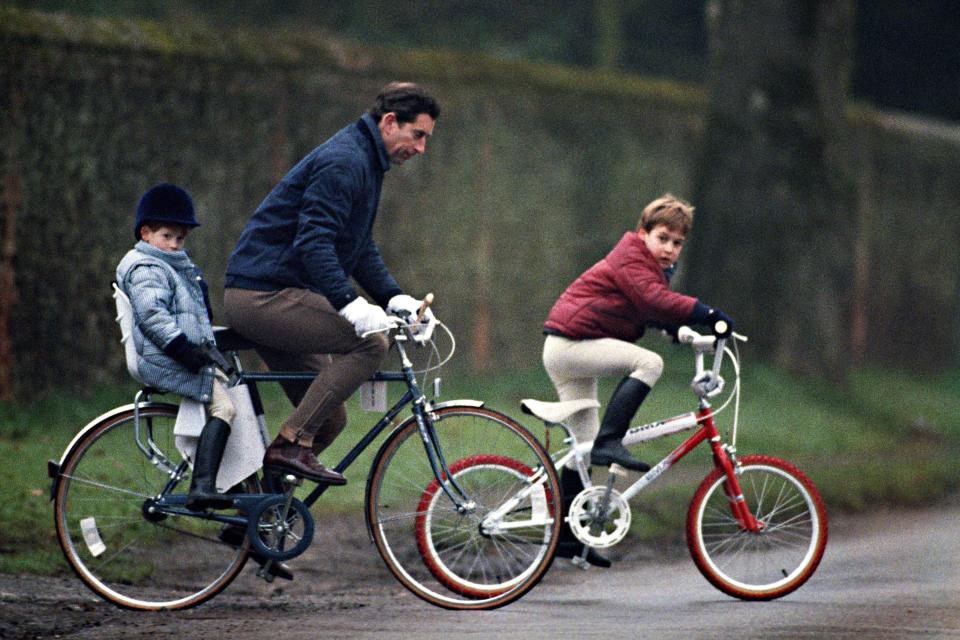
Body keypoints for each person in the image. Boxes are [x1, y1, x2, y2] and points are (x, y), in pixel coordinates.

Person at [223, 82, 440, 487]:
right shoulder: (346, 161)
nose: (422, 148)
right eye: (418, 135)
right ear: (390, 122)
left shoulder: (366, 160)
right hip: (261, 296)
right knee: (371, 342)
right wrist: (350, 304)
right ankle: (288, 446)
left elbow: (356, 247)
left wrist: (396, 299)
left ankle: (253, 511)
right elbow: (315, 242)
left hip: (274, 294)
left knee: (326, 421)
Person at [541, 193, 733, 567]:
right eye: (663, 238)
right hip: (570, 346)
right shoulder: (630, 256)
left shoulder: (649, 267)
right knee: (649, 363)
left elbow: (651, 309)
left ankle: (566, 538)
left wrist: (686, 333)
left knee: (582, 450)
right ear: (643, 232)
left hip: (571, 347)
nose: (669, 249)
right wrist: (707, 313)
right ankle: (611, 442)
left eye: (677, 243)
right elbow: (653, 300)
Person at [115, 183, 235, 512]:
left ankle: (237, 487)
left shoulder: (170, 267)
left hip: (178, 354)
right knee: (225, 409)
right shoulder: (147, 268)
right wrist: (187, 352)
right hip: (167, 358)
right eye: (167, 236)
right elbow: (154, 317)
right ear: (145, 233)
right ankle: (203, 487)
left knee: (237, 398)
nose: (174, 244)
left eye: (180, 238)